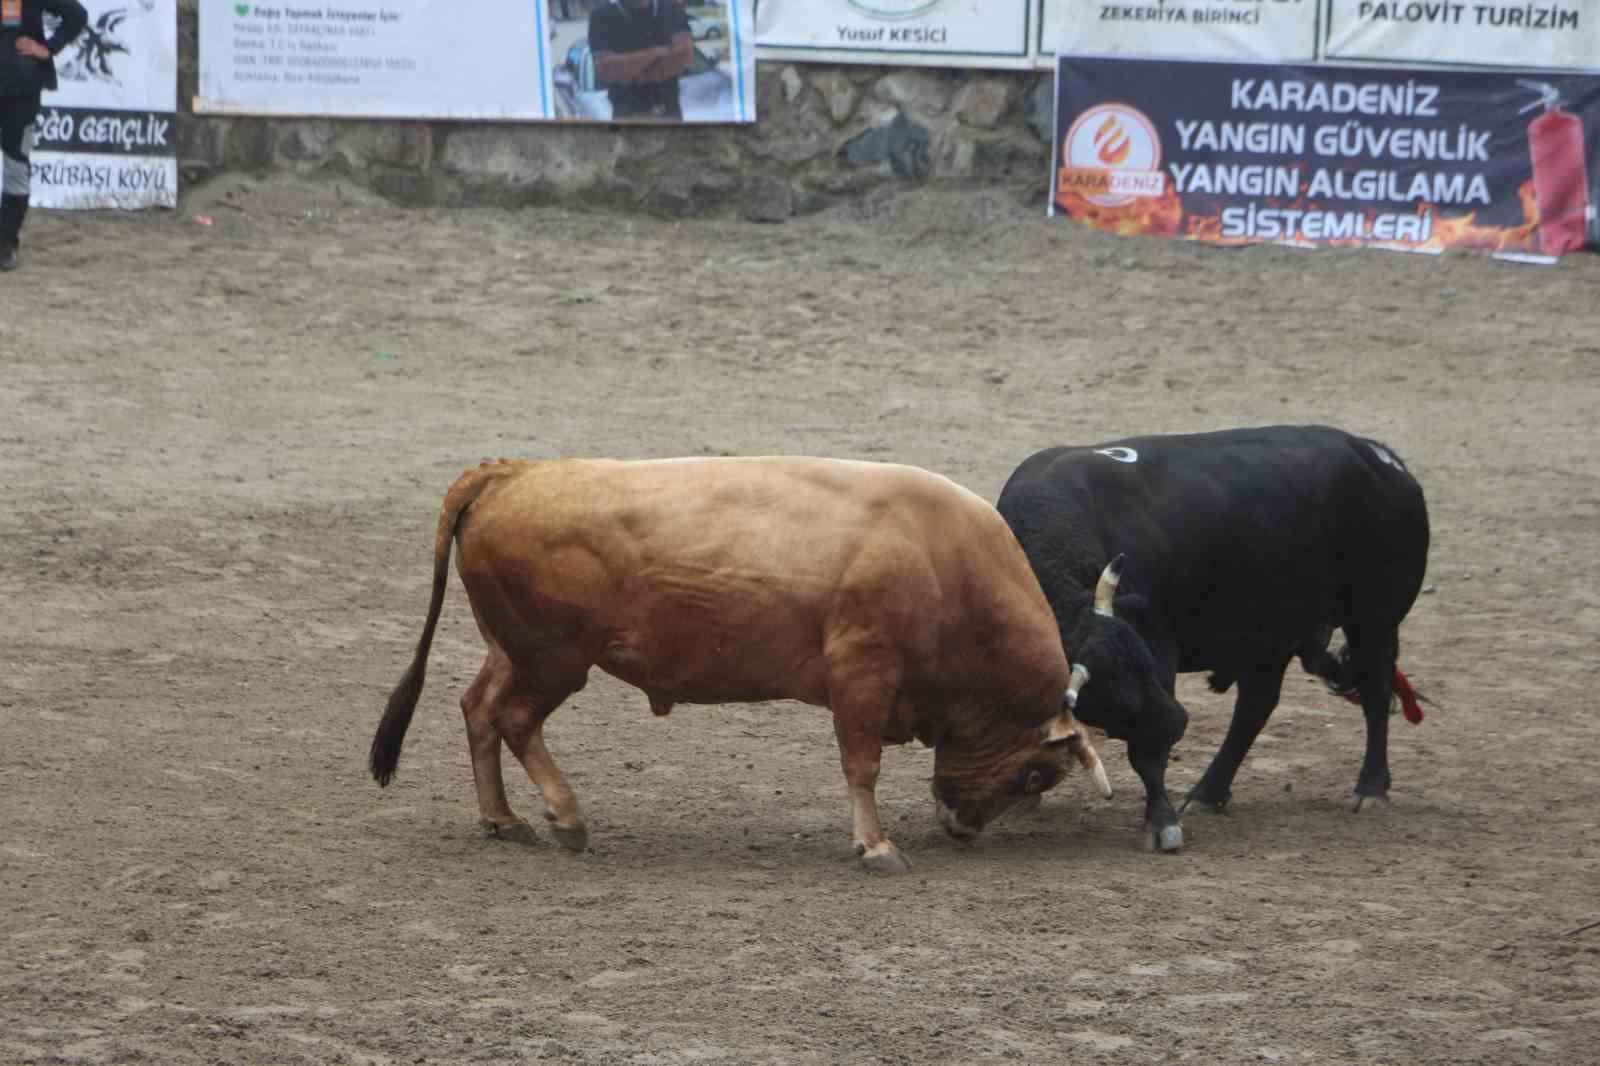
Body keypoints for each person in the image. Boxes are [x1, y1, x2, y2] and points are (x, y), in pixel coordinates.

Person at [0, 0, 87, 271]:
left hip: (20, 89)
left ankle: (5, 244)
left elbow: (76, 14)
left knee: (16, 164)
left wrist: (48, 48)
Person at [587, 0, 692, 121]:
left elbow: (684, 57)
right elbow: (605, 69)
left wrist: (629, 71)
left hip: (670, 114)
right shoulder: (601, 16)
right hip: (627, 119)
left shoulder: (672, 9)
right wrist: (655, 52)